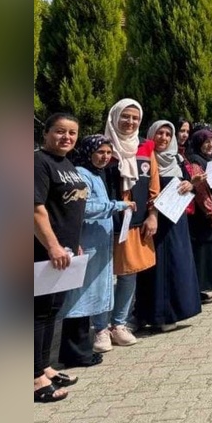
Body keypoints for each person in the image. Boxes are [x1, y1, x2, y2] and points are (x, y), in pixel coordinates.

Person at [59, 135, 132, 364]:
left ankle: (84, 347)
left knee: (94, 292)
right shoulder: (81, 173)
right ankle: (76, 352)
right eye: (100, 152)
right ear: (89, 151)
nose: (105, 156)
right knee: (79, 297)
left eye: (108, 153)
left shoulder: (96, 174)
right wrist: (117, 206)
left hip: (100, 245)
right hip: (87, 244)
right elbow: (83, 207)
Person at [34, 113, 87, 403]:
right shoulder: (37, 162)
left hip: (65, 252)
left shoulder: (67, 163)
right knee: (36, 314)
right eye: (60, 131)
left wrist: (72, 244)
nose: (66, 137)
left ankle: (44, 366)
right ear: (46, 133)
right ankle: (32, 378)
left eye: (72, 133)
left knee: (51, 310)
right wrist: (53, 246)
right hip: (42, 251)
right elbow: (34, 209)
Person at [134, 120, 202, 333]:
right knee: (153, 268)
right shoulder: (144, 159)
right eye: (159, 133)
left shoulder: (178, 159)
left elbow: (189, 186)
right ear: (151, 135)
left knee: (176, 264)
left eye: (167, 134)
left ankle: (175, 312)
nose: (163, 138)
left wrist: (190, 184)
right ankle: (151, 314)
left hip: (175, 221)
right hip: (152, 221)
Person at [101, 98, 154, 348]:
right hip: (104, 221)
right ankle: (100, 327)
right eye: (125, 116)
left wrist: (152, 215)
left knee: (128, 273)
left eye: (135, 118)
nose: (130, 122)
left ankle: (119, 324)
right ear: (114, 116)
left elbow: (153, 184)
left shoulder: (145, 147)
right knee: (101, 275)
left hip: (135, 222)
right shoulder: (102, 146)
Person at [183, 128, 212, 301]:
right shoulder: (195, 160)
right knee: (201, 253)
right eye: (206, 141)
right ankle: (197, 290)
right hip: (204, 217)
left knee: (211, 252)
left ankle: (203, 288)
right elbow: (200, 189)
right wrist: (211, 212)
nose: (210, 145)